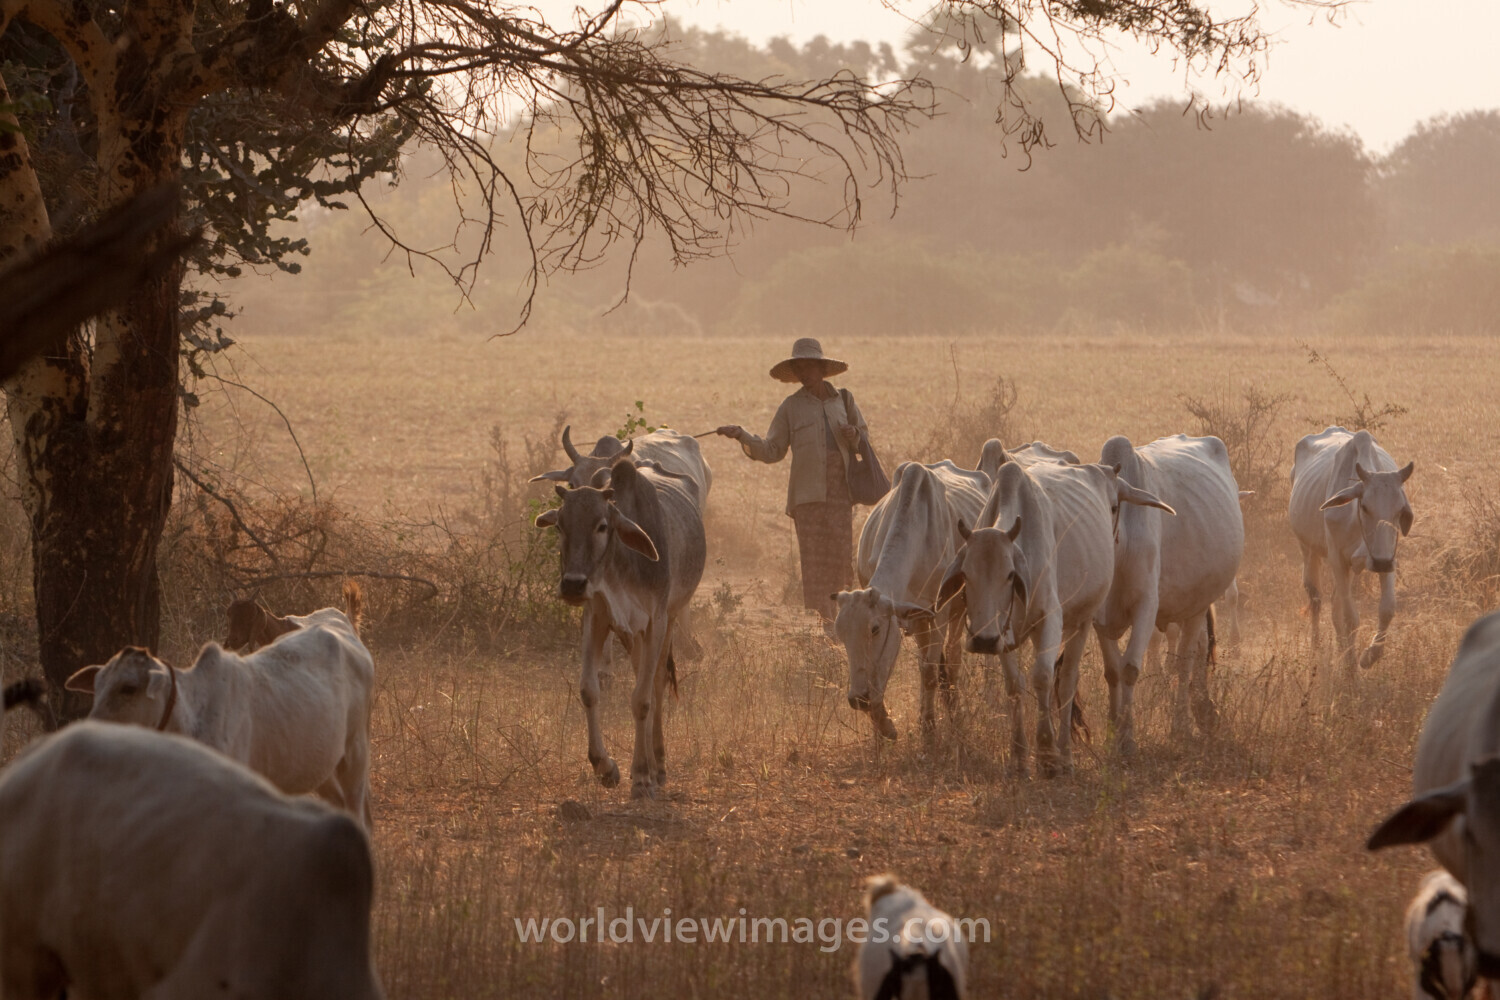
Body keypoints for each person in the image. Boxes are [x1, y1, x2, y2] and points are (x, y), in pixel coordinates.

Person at [717, 338, 868, 630]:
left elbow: (864, 439)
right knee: (814, 563)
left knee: (840, 557)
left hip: (840, 491)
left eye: (808, 366)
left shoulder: (844, 400)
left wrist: (853, 435)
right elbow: (772, 450)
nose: (803, 373)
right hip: (806, 497)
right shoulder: (790, 407)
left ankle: (843, 622)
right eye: (799, 368)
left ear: (822, 368)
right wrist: (741, 435)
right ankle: (827, 627)